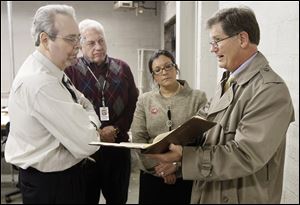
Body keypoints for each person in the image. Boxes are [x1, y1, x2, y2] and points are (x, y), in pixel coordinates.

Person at [147, 7, 295, 204]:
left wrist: (185, 157)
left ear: (242, 39)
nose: (212, 48)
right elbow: (203, 127)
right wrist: (172, 146)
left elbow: (245, 154)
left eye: (217, 41)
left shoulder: (270, 90)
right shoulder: (228, 80)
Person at [4, 5, 102, 204]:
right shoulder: (41, 82)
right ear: (45, 40)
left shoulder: (53, 70)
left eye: (78, 38)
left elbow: (83, 101)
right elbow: (89, 142)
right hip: (52, 186)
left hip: (58, 180)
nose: (78, 46)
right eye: (70, 39)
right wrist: (92, 122)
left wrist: (86, 115)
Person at [64, 19, 139, 204]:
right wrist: (97, 133)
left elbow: (133, 104)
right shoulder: (71, 71)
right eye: (91, 42)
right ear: (80, 45)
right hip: (87, 151)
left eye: (101, 41)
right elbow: (69, 109)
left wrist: (116, 129)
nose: (98, 46)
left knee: (118, 199)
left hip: (118, 146)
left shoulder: (122, 68)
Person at [130, 49, 207, 204]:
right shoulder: (145, 100)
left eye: (168, 66)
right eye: (157, 70)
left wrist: (176, 165)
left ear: (175, 68)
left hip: (186, 174)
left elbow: (203, 138)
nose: (164, 72)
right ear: (153, 76)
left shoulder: (197, 98)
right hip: (152, 176)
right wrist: (160, 168)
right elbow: (138, 138)